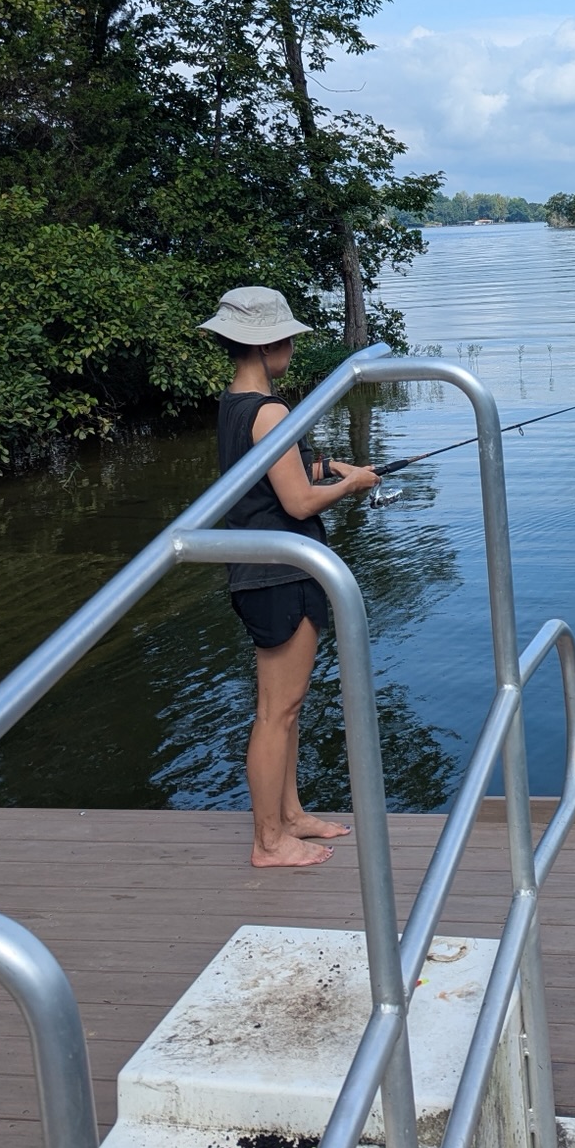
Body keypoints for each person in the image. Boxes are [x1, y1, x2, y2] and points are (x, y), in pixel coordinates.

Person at [199, 286, 380, 869]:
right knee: (276, 711)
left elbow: (271, 473)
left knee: (289, 705)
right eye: (290, 341)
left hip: (262, 568)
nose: (293, 350)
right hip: (278, 573)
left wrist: (331, 465)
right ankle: (268, 841)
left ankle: (291, 815)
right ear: (271, 342)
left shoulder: (236, 404)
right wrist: (351, 485)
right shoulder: (271, 410)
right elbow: (299, 502)